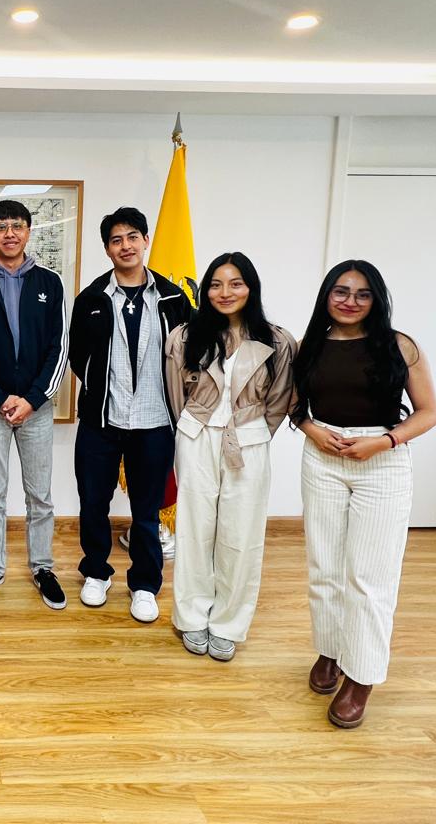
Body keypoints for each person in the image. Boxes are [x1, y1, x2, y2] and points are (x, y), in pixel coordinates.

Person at [290, 260, 436, 728]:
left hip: (382, 462)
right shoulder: (311, 345)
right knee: (325, 568)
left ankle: (362, 676)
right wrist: (312, 430)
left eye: (362, 294)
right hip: (323, 458)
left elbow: (429, 412)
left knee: (370, 577)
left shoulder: (400, 346)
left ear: (376, 299)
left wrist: (385, 441)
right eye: (341, 291)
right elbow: (295, 406)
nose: (350, 301)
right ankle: (330, 651)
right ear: (326, 296)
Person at [165, 252, 296, 662]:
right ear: (206, 291)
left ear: (250, 288)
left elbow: (280, 401)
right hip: (195, 436)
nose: (225, 292)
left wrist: (252, 432)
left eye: (236, 283)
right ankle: (191, 616)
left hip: (249, 440)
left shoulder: (278, 341)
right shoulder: (184, 337)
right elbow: (175, 395)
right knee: (194, 530)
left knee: (241, 534)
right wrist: (195, 426)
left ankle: (228, 623)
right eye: (216, 285)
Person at [67, 206, 193, 622]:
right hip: (101, 421)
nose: (126, 246)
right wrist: (101, 389)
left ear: (145, 241)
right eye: (116, 240)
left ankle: (144, 584)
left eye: (132, 237)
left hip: (155, 422)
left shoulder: (173, 299)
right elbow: (78, 356)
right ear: (107, 249)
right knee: (93, 503)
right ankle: (96, 572)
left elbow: (189, 355)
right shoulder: (91, 298)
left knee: (146, 510)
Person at [0, 199, 69, 609]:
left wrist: (34, 398)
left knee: (40, 494)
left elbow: (59, 347)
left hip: (36, 409)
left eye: (17, 225)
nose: (10, 233)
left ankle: (42, 567)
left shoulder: (49, 282)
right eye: (1, 226)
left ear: (28, 231)